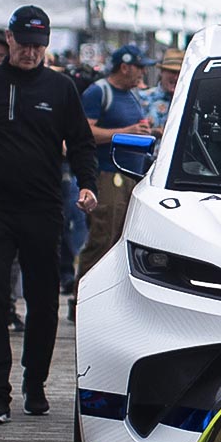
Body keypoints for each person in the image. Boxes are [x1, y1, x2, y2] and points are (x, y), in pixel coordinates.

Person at [0, 5, 98, 425]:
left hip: (41, 206)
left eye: (39, 46)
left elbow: (82, 143)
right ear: (9, 40)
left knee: (44, 300)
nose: (31, 53)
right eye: (25, 44)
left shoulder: (61, 88)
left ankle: (35, 381)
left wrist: (88, 184)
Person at [71, 45, 154, 311]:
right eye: (139, 67)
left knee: (119, 239)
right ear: (125, 66)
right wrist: (127, 131)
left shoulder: (131, 95)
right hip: (108, 174)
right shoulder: (99, 92)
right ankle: (81, 299)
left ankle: (106, 300)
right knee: (102, 238)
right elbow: (85, 133)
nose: (142, 73)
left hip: (131, 176)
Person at [140, 48, 183, 138]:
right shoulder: (143, 98)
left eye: (180, 73)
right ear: (162, 72)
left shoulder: (190, 102)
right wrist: (151, 132)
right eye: (172, 72)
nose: (176, 77)